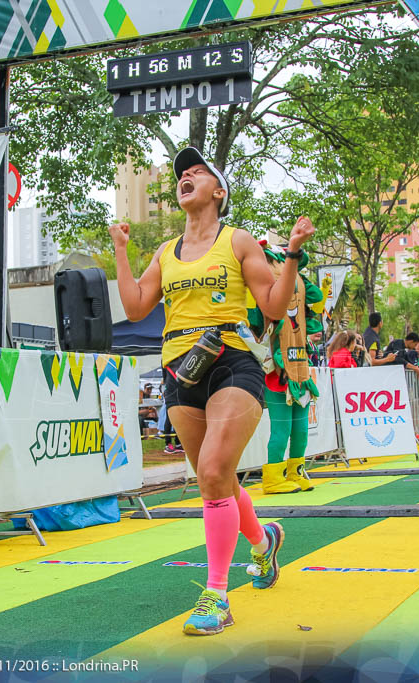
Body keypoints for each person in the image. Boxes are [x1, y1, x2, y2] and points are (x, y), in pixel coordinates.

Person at [111, 147, 315, 635]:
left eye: (198, 173)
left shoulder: (238, 240)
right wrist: (120, 250)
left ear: (218, 192)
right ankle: (263, 543)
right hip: (179, 369)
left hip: (232, 362)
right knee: (216, 481)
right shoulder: (164, 252)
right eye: (182, 174)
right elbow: (137, 306)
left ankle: (217, 596)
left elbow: (272, 304)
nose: (186, 177)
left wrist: (291, 255)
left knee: (214, 470)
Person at [246, 242, 324, 495]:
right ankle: (273, 478)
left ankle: (296, 472)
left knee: (300, 430)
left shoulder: (298, 284)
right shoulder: (262, 289)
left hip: (300, 367)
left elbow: (316, 297)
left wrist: (295, 268)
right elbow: (255, 322)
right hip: (276, 371)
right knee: (281, 429)